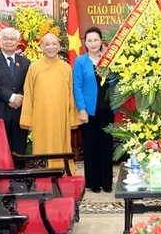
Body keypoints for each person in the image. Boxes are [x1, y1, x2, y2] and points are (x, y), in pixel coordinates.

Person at [20, 33, 80, 170]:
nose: (51, 47)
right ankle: (42, 175)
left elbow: (71, 95)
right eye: (47, 44)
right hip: (40, 118)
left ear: (59, 46)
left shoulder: (66, 68)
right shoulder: (34, 67)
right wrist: (28, 120)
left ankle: (63, 172)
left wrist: (72, 118)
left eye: (54, 44)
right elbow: (28, 93)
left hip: (61, 117)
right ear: (41, 46)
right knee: (42, 147)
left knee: (61, 146)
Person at [73, 27, 115, 193]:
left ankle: (107, 183)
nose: (92, 43)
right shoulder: (80, 61)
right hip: (89, 112)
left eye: (95, 40)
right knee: (91, 147)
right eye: (89, 40)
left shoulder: (109, 60)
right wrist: (81, 109)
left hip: (107, 110)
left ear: (101, 41)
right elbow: (77, 86)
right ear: (85, 43)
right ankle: (94, 183)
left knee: (106, 146)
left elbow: (117, 81)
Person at [0, 27, 31, 162]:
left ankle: (20, 181)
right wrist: (12, 97)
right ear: (0, 41)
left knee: (19, 151)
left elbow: (29, 85)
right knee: (0, 151)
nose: (9, 42)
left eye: (12, 39)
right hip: (0, 113)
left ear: (18, 42)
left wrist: (20, 98)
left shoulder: (25, 62)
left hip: (20, 114)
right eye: (5, 39)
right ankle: (2, 181)